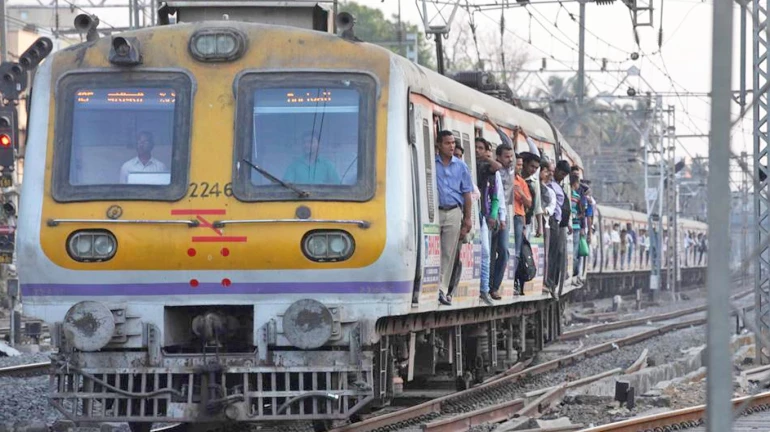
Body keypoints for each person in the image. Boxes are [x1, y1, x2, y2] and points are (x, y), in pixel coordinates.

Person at [434, 131, 474, 306]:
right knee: (434, 251)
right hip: (435, 211)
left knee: (448, 252)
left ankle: (441, 290)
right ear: (438, 145)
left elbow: (467, 193)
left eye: (453, 143)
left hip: (453, 211)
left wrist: (467, 218)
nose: (451, 146)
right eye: (447, 143)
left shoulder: (461, 166)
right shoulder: (431, 164)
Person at [474, 137, 501, 305]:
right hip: (472, 212)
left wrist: (486, 157)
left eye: (480, 148)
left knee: (485, 251)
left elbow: (497, 167)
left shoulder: (484, 168)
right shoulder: (466, 165)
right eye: (475, 147)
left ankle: (484, 289)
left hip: (482, 214)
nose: (477, 150)